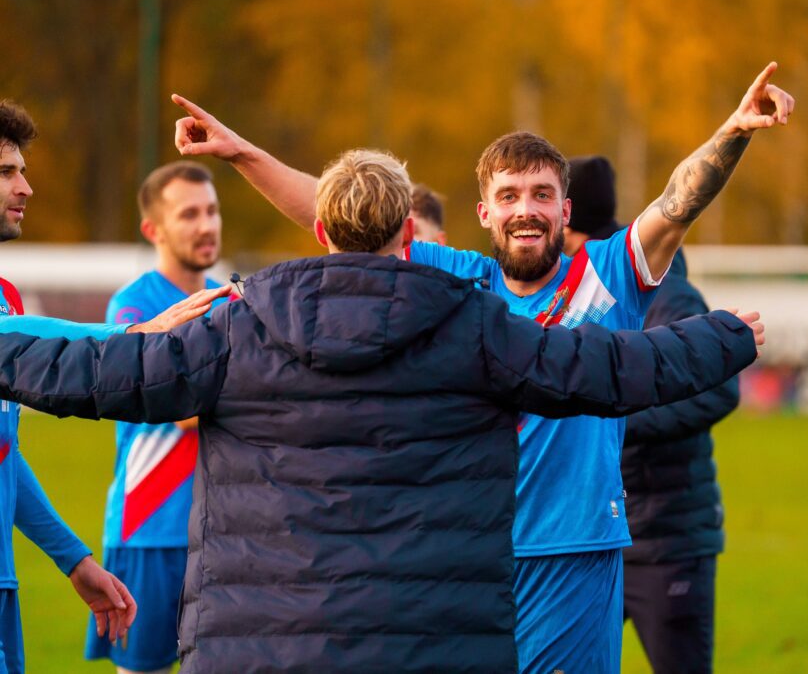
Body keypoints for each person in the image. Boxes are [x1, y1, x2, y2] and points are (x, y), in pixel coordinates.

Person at [0, 147, 762, 672]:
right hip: (427, 637)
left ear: (321, 230)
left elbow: (90, 374)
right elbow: (607, 367)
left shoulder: (237, 325)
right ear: (409, 234)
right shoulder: (475, 326)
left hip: (267, 643)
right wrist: (722, 337)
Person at [170, 61, 792, 672]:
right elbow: (346, 215)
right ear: (485, 213)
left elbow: (677, 203)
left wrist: (734, 130)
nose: (527, 210)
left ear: (566, 211)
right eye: (509, 196)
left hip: (573, 553)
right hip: (465, 557)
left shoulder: (605, 275)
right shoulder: (457, 280)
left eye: (542, 195)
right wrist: (240, 153)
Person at [563, 155, 739, 674]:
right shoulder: (573, 290)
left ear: (569, 223)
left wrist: (614, 418)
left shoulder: (666, 294)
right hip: (593, 535)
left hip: (665, 540)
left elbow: (719, 388)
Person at [0, 99, 141, 674]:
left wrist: (74, 561)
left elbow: (4, 456)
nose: (26, 187)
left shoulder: (7, 297)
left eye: (22, 171)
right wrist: (129, 336)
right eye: (6, 172)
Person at [83, 161, 233, 674]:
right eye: (189, 214)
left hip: (221, 531)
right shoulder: (133, 308)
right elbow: (173, 400)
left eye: (211, 211)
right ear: (154, 229)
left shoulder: (230, 301)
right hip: (149, 528)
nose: (206, 225)